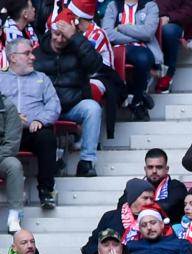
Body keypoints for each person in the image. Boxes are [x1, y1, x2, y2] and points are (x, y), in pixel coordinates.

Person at [33, 15, 103, 177]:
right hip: (45, 108)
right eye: (56, 34)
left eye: (64, 36)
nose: (59, 39)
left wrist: (76, 38)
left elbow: (95, 65)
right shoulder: (37, 52)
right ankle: (51, 161)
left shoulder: (78, 50)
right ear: (50, 32)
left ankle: (86, 162)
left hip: (72, 104)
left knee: (93, 108)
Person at [0, 37, 60, 214]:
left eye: (32, 53)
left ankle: (46, 191)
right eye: (27, 53)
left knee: (47, 138)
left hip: (32, 131)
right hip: (4, 133)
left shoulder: (42, 78)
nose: (33, 57)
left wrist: (40, 120)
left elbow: (54, 105)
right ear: (13, 57)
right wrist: (11, 117)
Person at [103, 0, 161, 121]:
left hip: (143, 48)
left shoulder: (150, 6)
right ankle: (139, 98)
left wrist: (121, 27)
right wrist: (136, 36)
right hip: (117, 49)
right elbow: (107, 33)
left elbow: (148, 33)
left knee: (143, 59)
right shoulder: (113, 6)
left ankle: (136, 99)